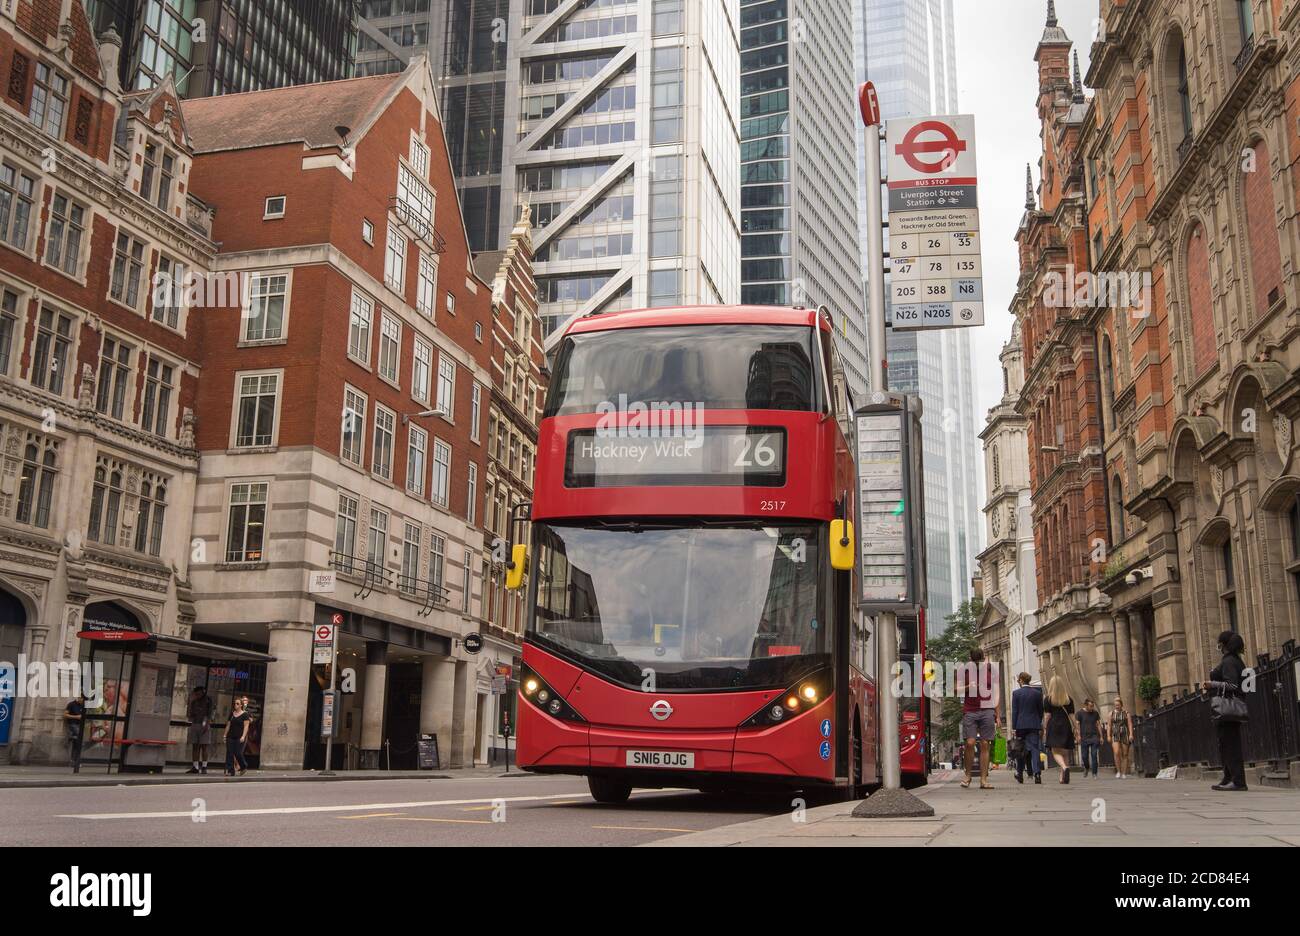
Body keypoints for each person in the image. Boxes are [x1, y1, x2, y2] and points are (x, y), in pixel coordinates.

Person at [1203, 630, 1248, 792]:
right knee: (1225, 744)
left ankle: (1238, 781)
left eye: (1220, 643)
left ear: (1224, 645)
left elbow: (1233, 685)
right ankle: (1228, 777)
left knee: (1231, 744)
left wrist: (1212, 684)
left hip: (1228, 708)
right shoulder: (1234, 660)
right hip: (1227, 709)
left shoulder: (1229, 661)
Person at [957, 648, 1001, 790]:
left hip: (987, 710)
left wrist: (998, 714)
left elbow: (996, 693)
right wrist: (968, 687)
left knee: (985, 744)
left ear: (983, 658)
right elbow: (956, 690)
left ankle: (983, 779)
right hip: (970, 711)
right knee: (969, 743)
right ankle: (968, 775)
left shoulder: (991, 670)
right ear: (970, 659)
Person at [1010, 673, 1043, 784]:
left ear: (1021, 680)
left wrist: (1014, 727)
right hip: (1034, 724)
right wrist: (1038, 721)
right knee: (1034, 749)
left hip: (1021, 725)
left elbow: (1015, 711)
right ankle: (1037, 773)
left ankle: (1020, 774)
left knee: (1020, 749)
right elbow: (1040, 710)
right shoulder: (1037, 693)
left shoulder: (1016, 693)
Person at [1042, 676, 1076, 784]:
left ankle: (1064, 768)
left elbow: (1047, 715)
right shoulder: (1068, 699)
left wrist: (1045, 727)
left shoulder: (1048, 700)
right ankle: (1063, 777)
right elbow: (1072, 716)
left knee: (1055, 751)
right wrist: (1076, 728)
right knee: (1065, 752)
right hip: (1065, 725)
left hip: (1054, 725)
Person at [186, 686, 213, 775]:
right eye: (196, 694)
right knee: (195, 746)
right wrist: (190, 701)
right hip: (195, 724)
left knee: (204, 746)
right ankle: (195, 766)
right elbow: (190, 714)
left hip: (205, 725)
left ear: (203, 692)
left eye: (199, 693)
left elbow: (210, 713)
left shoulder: (208, 700)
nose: (197, 695)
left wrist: (207, 723)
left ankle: (204, 767)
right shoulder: (194, 702)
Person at [224, 698, 251, 777]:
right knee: (229, 753)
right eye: (235, 703)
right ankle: (230, 770)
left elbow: (246, 726)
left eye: (237, 703)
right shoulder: (232, 714)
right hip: (230, 736)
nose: (235, 705)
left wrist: (243, 736)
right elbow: (228, 725)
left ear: (241, 705)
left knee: (238, 753)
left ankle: (243, 766)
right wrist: (225, 735)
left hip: (239, 737)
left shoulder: (245, 714)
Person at [1077, 699, 1103, 778]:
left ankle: (1094, 773)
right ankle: (1087, 767)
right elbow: (1077, 725)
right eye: (1090, 706)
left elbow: (1098, 724)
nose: (1092, 708)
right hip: (1084, 737)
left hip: (1094, 736)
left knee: (1094, 755)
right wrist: (1078, 735)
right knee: (1084, 756)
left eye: (1093, 706)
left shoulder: (1095, 713)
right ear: (1086, 705)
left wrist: (1101, 736)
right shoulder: (1080, 713)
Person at [1109, 698, 1134, 778]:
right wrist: (1108, 735)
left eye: (1118, 705)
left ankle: (1124, 773)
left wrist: (1131, 735)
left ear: (1121, 705)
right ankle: (1118, 771)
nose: (1116, 706)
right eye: (1115, 705)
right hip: (1115, 734)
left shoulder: (1126, 713)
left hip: (1124, 734)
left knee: (1125, 754)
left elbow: (1130, 724)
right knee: (1116, 752)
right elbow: (1109, 725)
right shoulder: (1111, 714)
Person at [63, 694, 86, 770]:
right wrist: (76, 717)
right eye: (82, 699)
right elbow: (65, 715)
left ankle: (74, 761)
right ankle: (71, 737)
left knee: (76, 744)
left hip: (80, 725)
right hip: (73, 724)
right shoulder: (71, 704)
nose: (83, 701)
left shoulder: (82, 706)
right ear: (79, 698)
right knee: (80, 742)